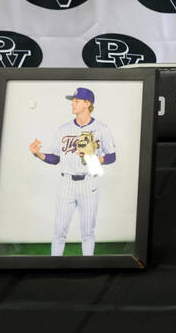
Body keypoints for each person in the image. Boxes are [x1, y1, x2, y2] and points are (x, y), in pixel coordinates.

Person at [28, 87, 117, 256]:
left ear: (87, 104)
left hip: (89, 183)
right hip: (66, 183)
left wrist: (98, 159)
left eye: (77, 101)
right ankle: (54, 265)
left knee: (88, 233)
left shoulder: (101, 129)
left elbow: (112, 156)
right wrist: (38, 154)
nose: (72, 104)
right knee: (59, 232)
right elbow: (55, 158)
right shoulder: (64, 129)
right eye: (72, 101)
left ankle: (88, 266)